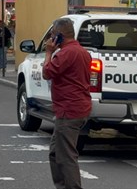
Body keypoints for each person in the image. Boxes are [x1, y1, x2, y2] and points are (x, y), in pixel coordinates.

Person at [42, 18, 92, 189]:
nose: (50, 38)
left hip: (69, 111)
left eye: (52, 34)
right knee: (56, 153)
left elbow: (47, 73)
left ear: (60, 36)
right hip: (76, 108)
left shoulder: (66, 53)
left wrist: (49, 52)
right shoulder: (81, 52)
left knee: (66, 157)